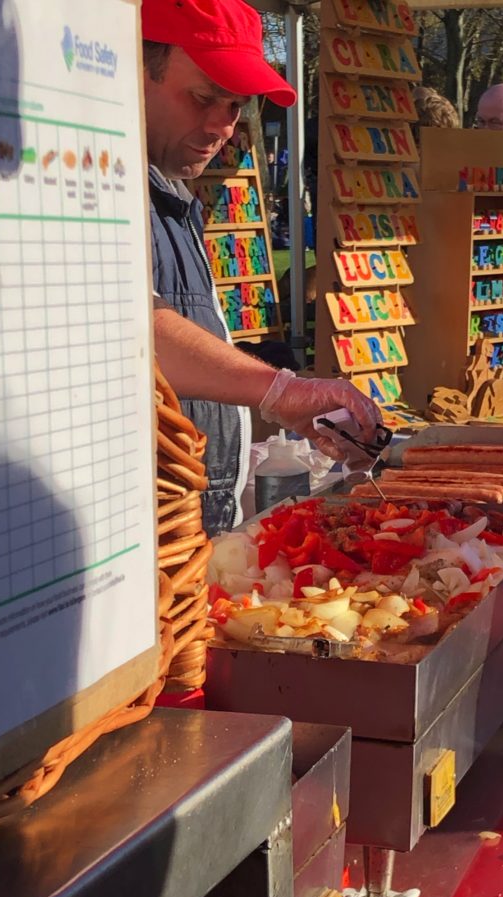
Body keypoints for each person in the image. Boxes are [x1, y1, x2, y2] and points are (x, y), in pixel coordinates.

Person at [141, 0, 381, 535]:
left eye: (234, 106)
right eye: (203, 98)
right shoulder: (114, 195)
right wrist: (279, 390)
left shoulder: (175, 199)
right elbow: (131, 326)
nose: (221, 126)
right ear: (137, 71)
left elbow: (185, 346)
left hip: (191, 526)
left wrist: (277, 404)